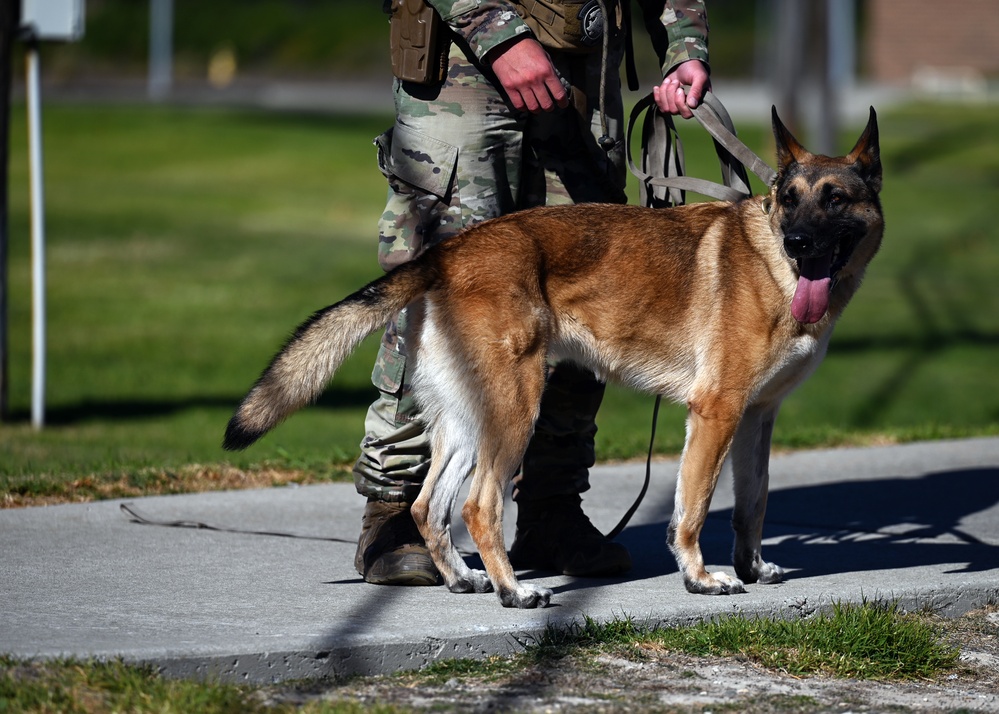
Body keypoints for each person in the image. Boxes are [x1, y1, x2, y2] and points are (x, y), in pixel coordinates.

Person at [353, 0, 711, 586]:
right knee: (446, 285)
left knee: (594, 287)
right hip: (463, 66)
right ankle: (395, 507)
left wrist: (684, 46)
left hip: (584, 69)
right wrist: (499, 34)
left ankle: (551, 505)